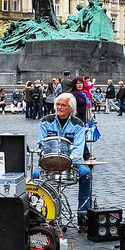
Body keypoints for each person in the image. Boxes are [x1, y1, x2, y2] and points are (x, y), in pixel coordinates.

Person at [34, 93, 93, 223]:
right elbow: (40, 144)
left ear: (70, 108)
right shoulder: (45, 121)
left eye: (63, 105)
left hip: (72, 163)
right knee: (35, 175)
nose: (59, 107)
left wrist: (69, 161)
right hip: (49, 162)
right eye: (58, 105)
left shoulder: (78, 124)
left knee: (86, 173)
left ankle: (83, 214)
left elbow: (78, 147)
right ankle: (42, 214)